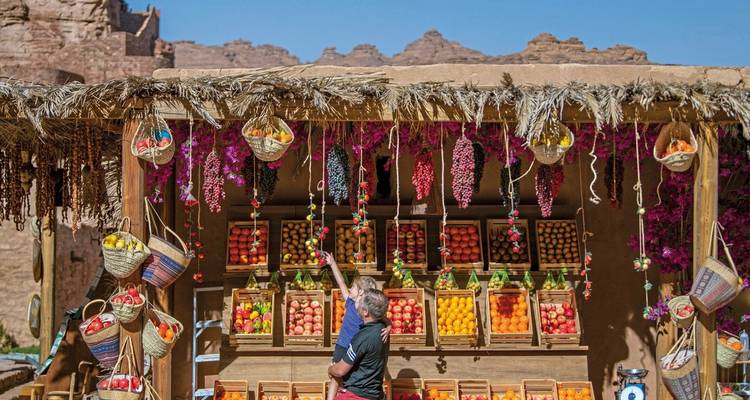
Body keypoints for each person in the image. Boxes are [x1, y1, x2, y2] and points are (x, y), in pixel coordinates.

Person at [324, 252, 389, 400]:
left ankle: (344, 392)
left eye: (353, 287)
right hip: (343, 344)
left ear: (361, 292)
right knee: (335, 376)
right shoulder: (351, 303)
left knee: (346, 374)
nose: (349, 289)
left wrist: (389, 326)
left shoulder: (367, 310)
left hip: (358, 347)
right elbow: (340, 283)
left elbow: (386, 318)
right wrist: (333, 264)